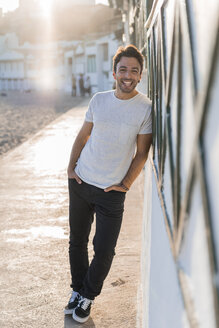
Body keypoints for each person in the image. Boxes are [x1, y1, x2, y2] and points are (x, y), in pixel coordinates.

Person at [65, 45, 152, 323]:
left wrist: (125, 184)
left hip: (111, 192)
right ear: (114, 72)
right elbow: (83, 136)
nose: (128, 75)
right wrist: (71, 168)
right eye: (123, 69)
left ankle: (88, 296)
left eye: (134, 71)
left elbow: (142, 153)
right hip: (81, 181)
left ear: (140, 76)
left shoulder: (145, 108)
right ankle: (77, 291)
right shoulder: (99, 99)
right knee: (76, 242)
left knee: (104, 249)